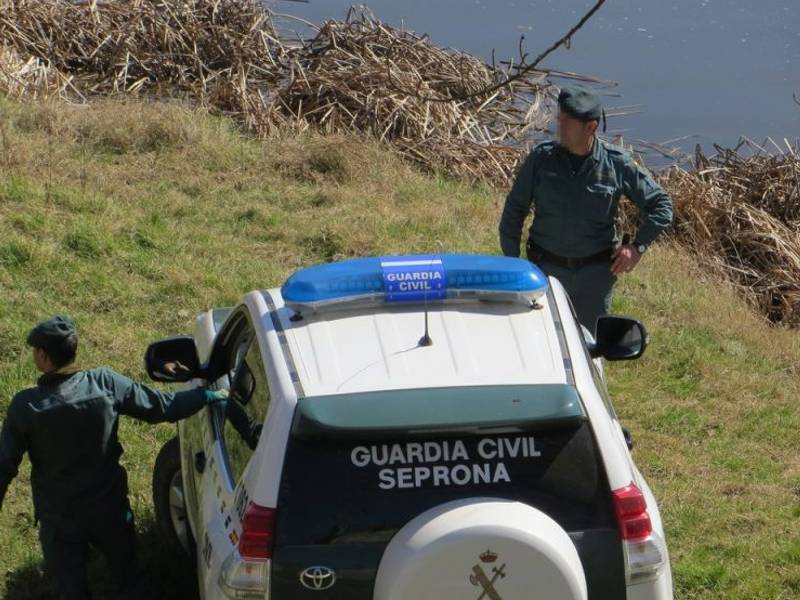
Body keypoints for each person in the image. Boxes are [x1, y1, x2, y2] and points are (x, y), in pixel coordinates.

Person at [0, 315, 227, 600]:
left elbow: (4, 464)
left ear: (43, 356)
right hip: (109, 508)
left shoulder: (26, 406)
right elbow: (161, 407)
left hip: (60, 518)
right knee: (130, 579)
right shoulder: (106, 383)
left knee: (71, 590)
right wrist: (206, 396)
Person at [499, 85, 673, 329]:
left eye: (567, 121)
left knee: (590, 350)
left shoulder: (616, 164)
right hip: (545, 272)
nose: (558, 124)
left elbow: (661, 205)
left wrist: (637, 247)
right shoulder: (541, 159)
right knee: (544, 341)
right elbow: (514, 210)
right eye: (560, 117)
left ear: (590, 127)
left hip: (594, 280)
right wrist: (513, 264)